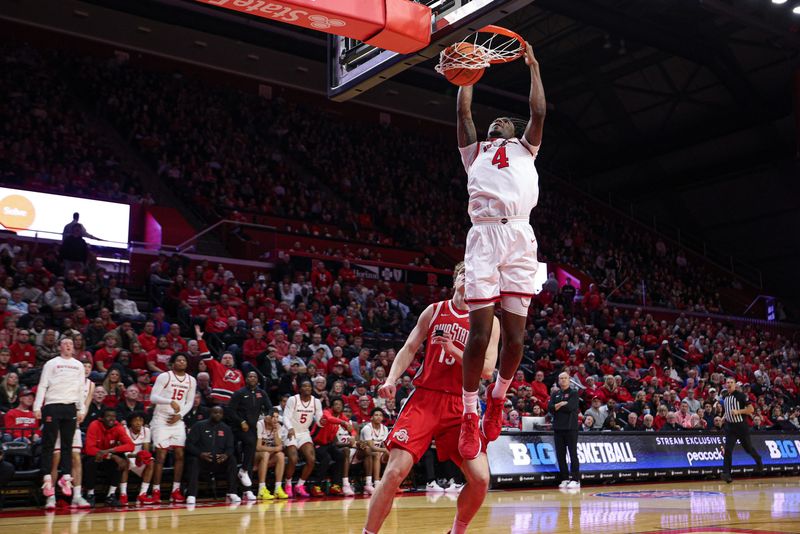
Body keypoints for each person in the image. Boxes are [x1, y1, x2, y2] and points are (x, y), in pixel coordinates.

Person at [455, 42, 546, 460]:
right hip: (485, 237)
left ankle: (498, 399)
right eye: (499, 120)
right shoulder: (475, 152)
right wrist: (468, 74)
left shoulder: (527, 148)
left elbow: (539, 113)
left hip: (520, 237)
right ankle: (470, 415)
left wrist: (534, 68)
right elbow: (464, 114)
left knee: (516, 340)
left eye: (508, 120)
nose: (502, 120)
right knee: (479, 335)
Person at [364, 262, 500, 534]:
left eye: (473, 275)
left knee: (481, 478)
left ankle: (456, 532)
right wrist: (391, 379)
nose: (468, 278)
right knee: (393, 474)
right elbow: (409, 347)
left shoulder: (489, 321)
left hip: (462, 405)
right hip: (425, 399)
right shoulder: (435, 310)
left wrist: (453, 348)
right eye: (464, 273)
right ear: (455, 280)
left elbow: (486, 370)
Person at [34, 338, 86, 504]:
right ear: (59, 347)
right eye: (65, 343)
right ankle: (47, 477)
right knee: (49, 444)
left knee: (67, 445)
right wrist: (37, 406)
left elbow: (80, 388)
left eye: (71, 343)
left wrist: (81, 408)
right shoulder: (51, 363)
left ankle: (66, 477)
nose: (69, 345)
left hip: (70, 406)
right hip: (52, 405)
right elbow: (42, 385)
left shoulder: (78, 365)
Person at [148, 353, 197, 503]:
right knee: (161, 456)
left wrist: (180, 415)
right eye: (179, 360)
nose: (181, 362)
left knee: (180, 455)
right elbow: (153, 397)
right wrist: (170, 401)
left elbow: (189, 402)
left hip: (177, 420)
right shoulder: (165, 377)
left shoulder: (191, 380)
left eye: (184, 360)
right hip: (161, 419)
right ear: (173, 363)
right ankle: (156, 490)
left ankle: (175, 490)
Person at [50, 359, 95, 509]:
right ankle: (51, 496)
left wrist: (80, 416)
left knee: (76, 457)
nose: (87, 369)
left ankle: (77, 495)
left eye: (89, 366)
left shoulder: (91, 385)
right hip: (58, 421)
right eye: (84, 366)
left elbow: (86, 404)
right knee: (55, 458)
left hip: (74, 423)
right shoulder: (67, 380)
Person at [227, 371, 273, 501]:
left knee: (251, 455)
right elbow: (230, 410)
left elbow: (270, 407)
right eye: (250, 376)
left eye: (254, 377)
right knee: (248, 445)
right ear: (246, 379)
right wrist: (241, 422)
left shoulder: (261, 393)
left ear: (257, 380)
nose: (252, 378)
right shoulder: (239, 393)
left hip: (252, 428)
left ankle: (247, 489)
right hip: (237, 428)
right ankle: (234, 489)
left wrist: (269, 415)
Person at [185, 405, 240, 505]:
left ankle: (232, 493)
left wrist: (226, 455)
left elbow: (230, 447)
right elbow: (189, 444)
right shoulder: (199, 426)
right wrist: (200, 454)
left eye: (220, 413)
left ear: (223, 415)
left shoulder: (226, 429)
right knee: (194, 461)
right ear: (210, 413)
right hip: (203, 461)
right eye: (215, 412)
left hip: (219, 462)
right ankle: (191, 494)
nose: (218, 414)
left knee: (232, 460)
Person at [82, 407, 135, 507]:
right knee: (91, 461)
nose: (111, 419)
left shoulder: (118, 427)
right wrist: (111, 456)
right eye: (108, 416)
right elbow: (90, 449)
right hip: (95, 456)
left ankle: (111, 495)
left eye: (114, 416)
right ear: (101, 418)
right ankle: (90, 494)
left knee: (122, 461)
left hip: (107, 457)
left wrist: (111, 451)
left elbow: (130, 446)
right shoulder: (94, 425)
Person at [283, 379, 323, 497]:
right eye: (304, 386)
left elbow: (320, 422)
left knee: (311, 459)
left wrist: (323, 421)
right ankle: (288, 484)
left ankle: (300, 485)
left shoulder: (316, 402)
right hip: (290, 431)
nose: (307, 388)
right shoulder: (293, 399)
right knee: (293, 459)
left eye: (309, 386)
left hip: (304, 432)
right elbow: (285, 417)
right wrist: (290, 428)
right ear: (300, 389)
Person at [720, 377, 763, 483]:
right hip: (730, 427)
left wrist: (738, 411)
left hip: (741, 427)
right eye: (727, 382)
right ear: (725, 385)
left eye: (731, 382)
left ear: (735, 385)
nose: (729, 384)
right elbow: (729, 410)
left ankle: (758, 459)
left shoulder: (741, 396)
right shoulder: (725, 397)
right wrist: (723, 417)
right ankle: (727, 474)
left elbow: (751, 410)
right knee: (728, 450)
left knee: (748, 448)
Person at [311, 397, 353, 496]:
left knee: (340, 456)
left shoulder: (341, 416)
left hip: (329, 444)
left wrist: (353, 436)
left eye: (340, 405)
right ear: (332, 406)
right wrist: (343, 423)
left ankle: (335, 486)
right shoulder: (326, 412)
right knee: (326, 458)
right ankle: (316, 486)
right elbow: (330, 419)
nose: (338, 406)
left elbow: (352, 429)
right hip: (316, 443)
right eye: (336, 404)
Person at [549, 372, 580, 489]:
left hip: (570, 428)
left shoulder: (574, 393)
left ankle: (575, 479)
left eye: (565, 378)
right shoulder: (555, 393)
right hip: (558, 428)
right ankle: (565, 478)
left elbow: (570, 407)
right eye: (560, 378)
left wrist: (558, 406)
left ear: (569, 380)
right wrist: (561, 404)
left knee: (573, 454)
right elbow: (550, 409)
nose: (562, 380)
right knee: (560, 455)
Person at [122, 412, 155, 505]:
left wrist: (142, 457)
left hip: (139, 457)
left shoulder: (146, 431)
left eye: (140, 420)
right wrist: (136, 456)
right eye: (135, 420)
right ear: (130, 422)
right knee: (125, 462)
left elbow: (146, 451)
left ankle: (142, 494)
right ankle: (123, 494)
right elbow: (124, 450)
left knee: (151, 462)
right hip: (128, 456)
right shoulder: (125, 430)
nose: (138, 423)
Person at [255, 408, 288, 499]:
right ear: (267, 417)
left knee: (281, 455)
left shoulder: (278, 427)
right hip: (255, 457)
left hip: (266, 458)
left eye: (277, 417)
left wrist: (275, 431)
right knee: (265, 454)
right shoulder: (260, 424)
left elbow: (279, 446)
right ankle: (261, 490)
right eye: (273, 417)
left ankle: (277, 489)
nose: (275, 419)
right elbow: (258, 447)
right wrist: (274, 449)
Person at [357, 408, 390, 495]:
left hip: (378, 451)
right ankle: (376, 482)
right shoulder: (367, 428)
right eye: (376, 415)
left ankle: (389, 482)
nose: (378, 417)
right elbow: (371, 447)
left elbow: (384, 444)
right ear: (371, 418)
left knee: (392, 455)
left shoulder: (385, 428)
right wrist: (385, 450)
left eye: (380, 415)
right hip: (363, 453)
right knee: (377, 453)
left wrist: (388, 451)